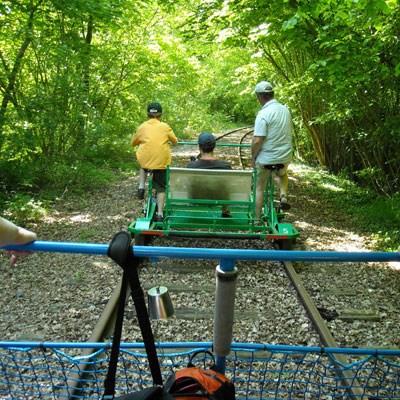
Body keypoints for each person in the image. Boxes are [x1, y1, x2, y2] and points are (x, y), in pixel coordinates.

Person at [251, 81, 293, 220]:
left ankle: (256, 220)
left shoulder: (263, 113)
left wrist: (253, 157)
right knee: (282, 174)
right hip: (284, 157)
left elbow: (258, 140)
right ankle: (283, 196)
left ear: (260, 97)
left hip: (266, 159)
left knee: (259, 188)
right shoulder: (285, 110)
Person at [131, 102, 178, 222]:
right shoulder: (165, 126)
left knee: (142, 164)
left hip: (146, 161)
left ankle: (141, 186)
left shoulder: (142, 127)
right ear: (160, 115)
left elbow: (133, 143)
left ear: (148, 114)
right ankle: (160, 214)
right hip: (161, 162)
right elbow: (175, 141)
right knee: (161, 187)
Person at [187, 132, 232, 217]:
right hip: (219, 198)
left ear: (199, 147)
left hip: (196, 197)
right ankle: (225, 210)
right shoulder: (226, 166)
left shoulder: (191, 166)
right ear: (214, 147)